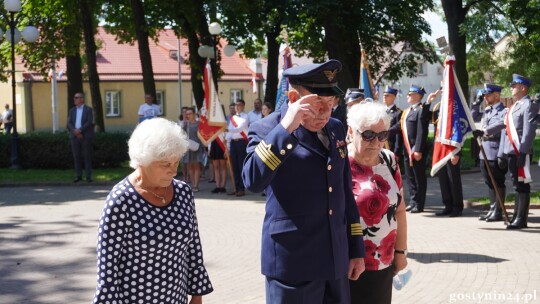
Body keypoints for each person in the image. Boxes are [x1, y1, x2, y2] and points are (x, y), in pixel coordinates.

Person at [242, 59, 366, 304]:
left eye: (330, 103)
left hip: (335, 260)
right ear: (293, 97)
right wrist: (286, 127)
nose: (325, 111)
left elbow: (344, 191)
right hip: (294, 263)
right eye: (317, 103)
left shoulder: (336, 128)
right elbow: (252, 180)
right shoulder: (268, 129)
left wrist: (355, 249)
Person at [92, 118, 213, 304]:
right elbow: (107, 272)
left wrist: (197, 296)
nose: (173, 172)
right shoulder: (121, 201)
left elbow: (194, 249)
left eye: (176, 163)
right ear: (143, 160)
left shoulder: (183, 192)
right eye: (166, 165)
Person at [347, 102, 408, 304]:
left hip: (383, 262)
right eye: (368, 135)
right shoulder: (339, 164)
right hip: (347, 264)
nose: (376, 142)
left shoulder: (389, 160)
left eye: (382, 135)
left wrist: (400, 252)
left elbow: (399, 210)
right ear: (351, 131)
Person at [499, 74, 539, 229]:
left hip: (520, 151)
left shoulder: (528, 105)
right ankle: (516, 215)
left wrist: (522, 153)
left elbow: (528, 132)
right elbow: (505, 131)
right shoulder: (514, 106)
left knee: (522, 184)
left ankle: (521, 219)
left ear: (523, 88)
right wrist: (502, 153)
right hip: (511, 151)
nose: (511, 88)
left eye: (514, 85)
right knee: (516, 184)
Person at [471, 84, 508, 222]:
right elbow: (473, 116)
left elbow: (501, 127)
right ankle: (493, 208)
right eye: (484, 94)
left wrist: (501, 155)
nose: (485, 97)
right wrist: (476, 102)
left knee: (498, 182)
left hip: (495, 151)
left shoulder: (503, 111)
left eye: (488, 94)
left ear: (497, 95)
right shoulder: (487, 110)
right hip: (484, 152)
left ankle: (498, 211)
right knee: (489, 183)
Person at [426, 88, 464, 217]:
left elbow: (459, 129)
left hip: (451, 148)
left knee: (453, 179)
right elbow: (424, 118)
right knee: (443, 178)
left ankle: (457, 207)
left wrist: (457, 152)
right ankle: (448, 205)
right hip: (440, 149)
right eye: (442, 90)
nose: (442, 92)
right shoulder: (438, 106)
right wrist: (428, 102)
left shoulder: (454, 107)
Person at [401, 85, 430, 213]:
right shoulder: (407, 111)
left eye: (410, 94)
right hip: (407, 149)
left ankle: (419, 203)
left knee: (419, 178)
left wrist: (418, 149)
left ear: (417, 96)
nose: (408, 96)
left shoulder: (421, 110)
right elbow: (400, 127)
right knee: (410, 177)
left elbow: (421, 132)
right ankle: (413, 201)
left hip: (416, 150)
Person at [67, 92, 94, 183]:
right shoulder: (72, 110)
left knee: (87, 156)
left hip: (85, 136)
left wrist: (80, 130)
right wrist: (75, 131)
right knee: (77, 156)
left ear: (82, 99)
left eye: (76, 97)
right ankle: (78, 176)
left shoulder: (88, 110)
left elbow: (89, 122)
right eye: (74, 98)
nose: (74, 99)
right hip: (74, 136)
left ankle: (88, 176)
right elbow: (69, 123)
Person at [226, 99, 249, 196]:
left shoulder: (245, 117)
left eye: (239, 105)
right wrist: (226, 140)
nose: (237, 107)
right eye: (236, 105)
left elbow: (239, 129)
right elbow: (230, 133)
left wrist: (227, 129)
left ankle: (241, 188)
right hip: (233, 143)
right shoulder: (233, 118)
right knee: (234, 166)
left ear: (243, 106)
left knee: (241, 165)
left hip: (242, 142)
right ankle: (236, 187)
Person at [181, 107, 204, 192]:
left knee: (196, 166)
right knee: (190, 166)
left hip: (197, 146)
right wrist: (183, 121)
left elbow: (202, 134)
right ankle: (192, 184)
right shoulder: (186, 124)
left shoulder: (199, 123)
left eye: (190, 114)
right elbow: (181, 133)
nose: (188, 115)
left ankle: (196, 185)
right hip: (188, 146)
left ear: (194, 114)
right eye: (187, 114)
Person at [382, 86, 403, 158]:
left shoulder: (398, 113)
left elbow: (398, 134)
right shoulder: (380, 111)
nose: (384, 97)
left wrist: (396, 151)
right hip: (380, 146)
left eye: (387, 95)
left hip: (391, 147)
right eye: (384, 95)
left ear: (394, 97)